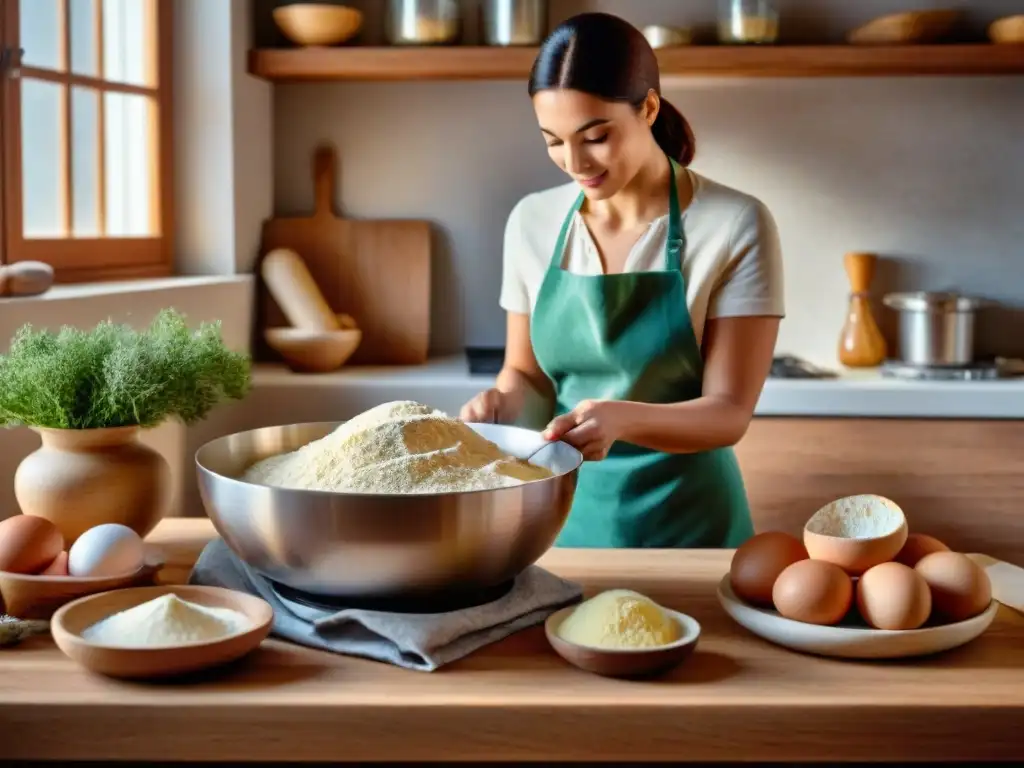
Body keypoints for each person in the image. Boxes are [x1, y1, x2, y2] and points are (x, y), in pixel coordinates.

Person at [460, 12, 785, 549]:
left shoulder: (734, 223)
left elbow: (728, 412)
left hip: (690, 527)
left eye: (595, 136)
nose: (574, 162)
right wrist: (500, 403)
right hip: (560, 522)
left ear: (649, 108)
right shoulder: (532, 222)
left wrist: (619, 419)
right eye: (553, 141)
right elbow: (529, 377)